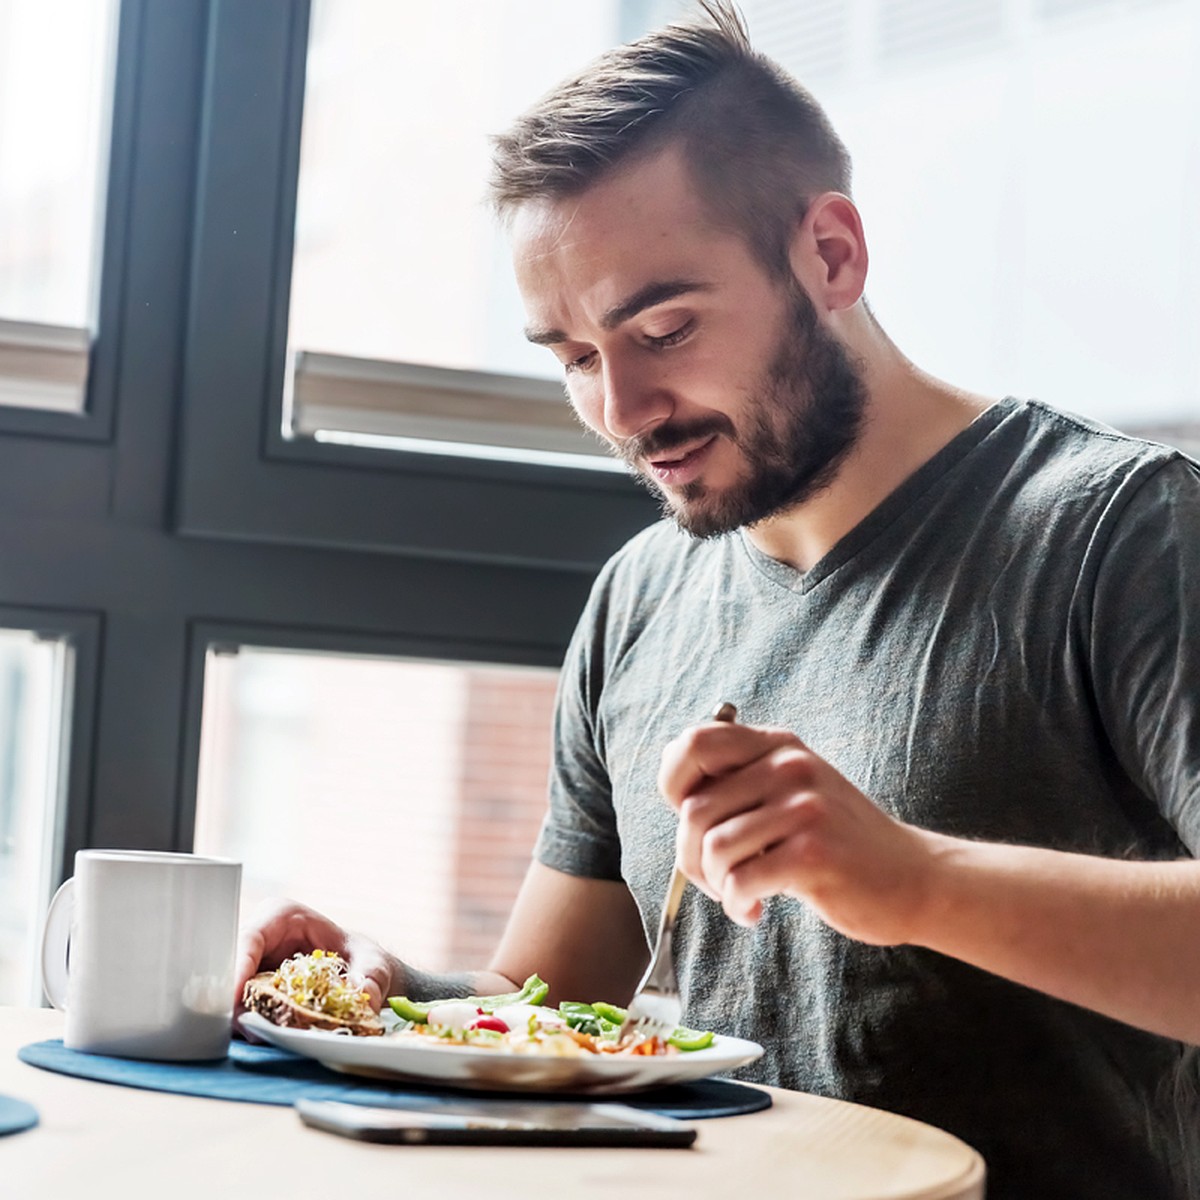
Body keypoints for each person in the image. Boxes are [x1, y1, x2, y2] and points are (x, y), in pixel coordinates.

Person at [236, 4, 1200, 1195]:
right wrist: (384, 989)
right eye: (577, 357)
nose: (624, 411)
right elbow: (556, 1000)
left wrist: (915, 882)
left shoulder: (1122, 529)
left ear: (831, 256)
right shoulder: (640, 599)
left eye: (665, 327)